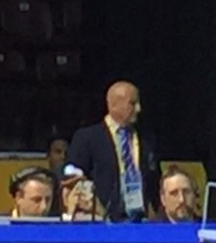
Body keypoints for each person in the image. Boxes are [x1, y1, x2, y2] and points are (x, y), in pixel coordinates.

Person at [66, 81, 160, 222]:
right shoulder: (88, 137)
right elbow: (72, 176)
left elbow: (154, 178)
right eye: (132, 104)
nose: (139, 109)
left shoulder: (146, 138)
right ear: (113, 105)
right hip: (103, 220)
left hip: (141, 220)